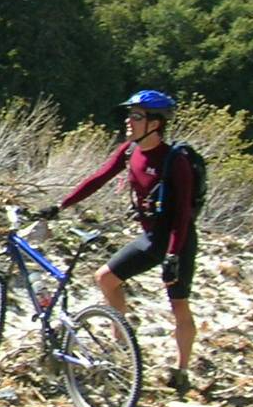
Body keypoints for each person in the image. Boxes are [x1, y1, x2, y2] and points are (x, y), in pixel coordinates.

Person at [40, 89, 199, 391]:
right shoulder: (130, 151)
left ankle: (182, 370)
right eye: (130, 115)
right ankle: (121, 345)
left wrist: (173, 256)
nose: (129, 121)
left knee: (178, 304)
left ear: (156, 123)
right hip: (152, 238)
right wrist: (62, 205)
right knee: (106, 278)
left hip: (178, 240)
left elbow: (181, 215)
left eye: (137, 116)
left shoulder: (173, 161)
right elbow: (99, 178)